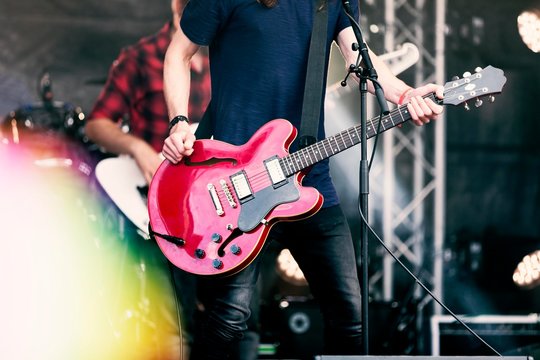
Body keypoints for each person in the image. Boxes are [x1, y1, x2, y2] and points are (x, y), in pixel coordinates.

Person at [162, 0, 444, 358]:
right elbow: (177, 54)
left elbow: (360, 62)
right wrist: (179, 122)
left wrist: (405, 94)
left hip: (308, 179)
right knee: (229, 318)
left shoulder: (332, 2)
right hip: (236, 180)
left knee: (353, 319)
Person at [84, 0, 211, 358]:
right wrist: (138, 148)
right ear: (176, 6)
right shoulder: (141, 57)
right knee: (174, 323)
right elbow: (97, 123)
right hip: (162, 207)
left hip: (215, 209)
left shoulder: (227, 60)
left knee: (231, 316)